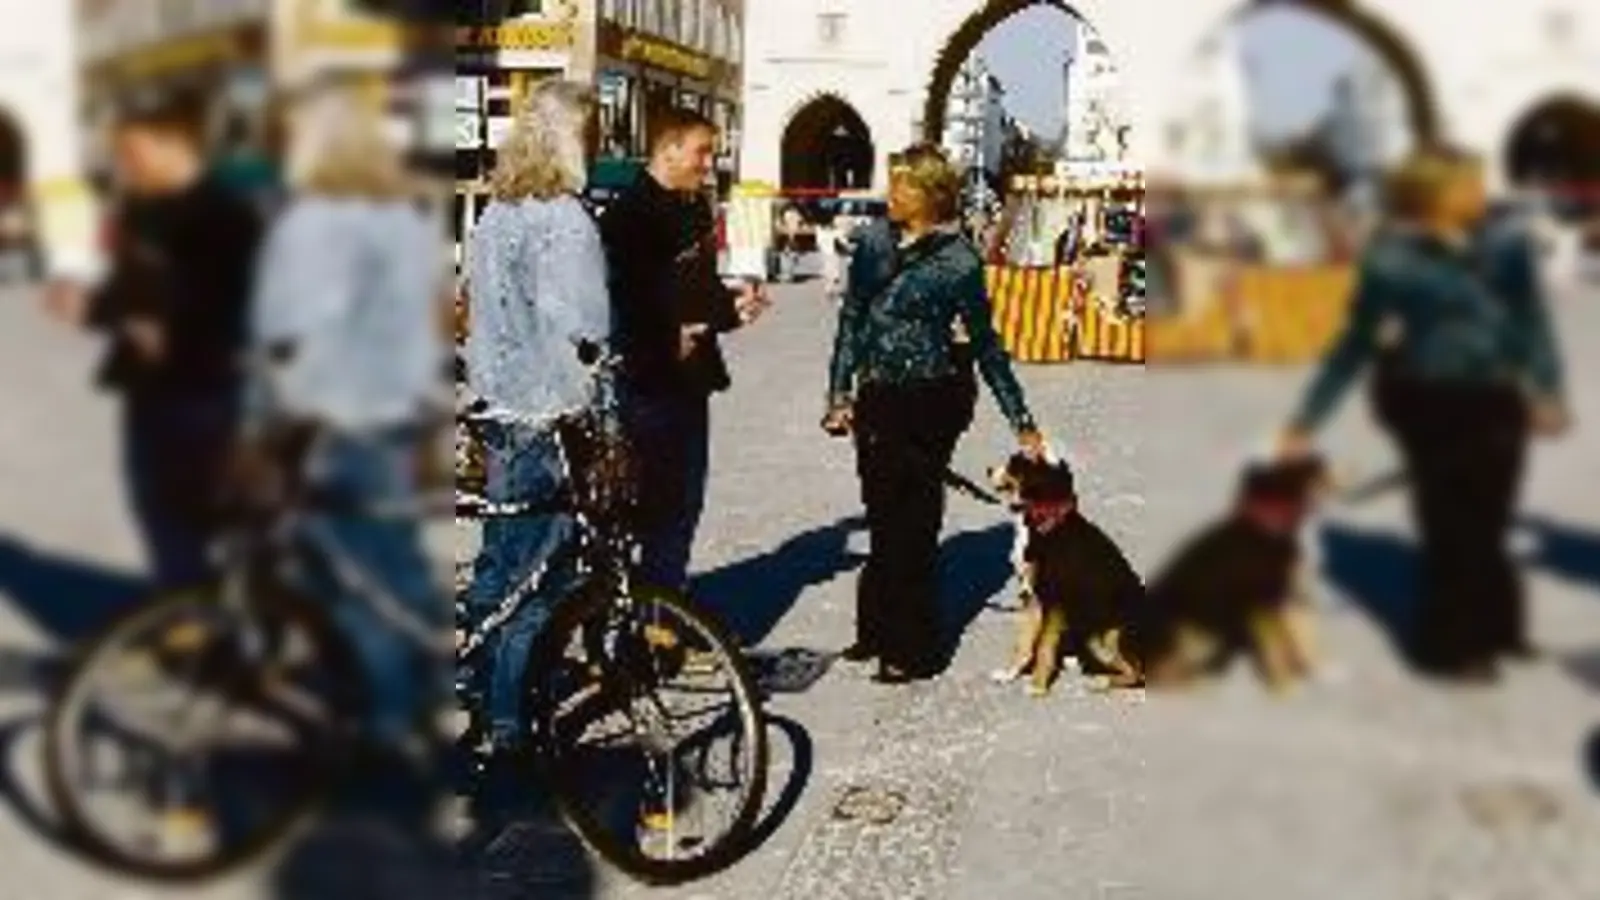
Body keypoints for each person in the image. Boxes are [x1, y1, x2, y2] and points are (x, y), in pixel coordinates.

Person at [1277, 145, 1570, 684]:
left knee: (1490, 515)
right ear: (1434, 193)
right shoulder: (1391, 258)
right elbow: (1356, 342)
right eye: (1471, 184)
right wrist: (1307, 420)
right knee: (1450, 523)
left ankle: (1500, 628)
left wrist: (1549, 390)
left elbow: (1532, 319)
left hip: (1496, 395)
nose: (1484, 193)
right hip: (1427, 400)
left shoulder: (1506, 243)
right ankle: (1450, 648)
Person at [245, 86, 449, 752]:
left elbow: (284, 325)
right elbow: (430, 325)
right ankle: (407, 699)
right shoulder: (408, 220)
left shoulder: (310, 224)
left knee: (347, 580)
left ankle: (380, 723)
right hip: (395, 415)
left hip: (329, 419)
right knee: (393, 571)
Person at [823, 143, 1044, 684]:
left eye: (903, 186)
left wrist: (1022, 419)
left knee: (915, 522)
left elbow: (987, 345)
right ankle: (875, 627)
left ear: (932, 195)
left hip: (931, 398)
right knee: (881, 513)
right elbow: (852, 319)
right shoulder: (873, 243)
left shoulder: (958, 260)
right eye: (891, 183)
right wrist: (838, 393)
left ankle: (914, 649)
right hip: (878, 395)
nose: (891, 195)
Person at [42, 89, 262, 595]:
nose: (123, 166)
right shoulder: (143, 211)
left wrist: (165, 327)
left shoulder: (223, 216)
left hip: (204, 390)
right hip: (148, 386)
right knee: (156, 508)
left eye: (132, 152)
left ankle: (228, 622)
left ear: (175, 145)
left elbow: (223, 306)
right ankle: (186, 617)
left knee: (210, 514)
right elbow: (131, 293)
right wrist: (93, 305)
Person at [460, 80, 612, 758]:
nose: (603, 141)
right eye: (595, 129)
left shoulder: (496, 215)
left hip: (497, 411)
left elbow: (475, 315)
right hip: (549, 417)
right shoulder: (565, 220)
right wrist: (604, 419)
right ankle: (510, 726)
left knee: (497, 571)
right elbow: (586, 331)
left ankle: (476, 690)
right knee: (542, 581)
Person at [600, 105, 766, 596]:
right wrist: (665, 337)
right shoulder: (628, 217)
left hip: (690, 380)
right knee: (644, 509)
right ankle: (634, 620)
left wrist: (733, 308)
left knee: (682, 506)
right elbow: (621, 304)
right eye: (702, 151)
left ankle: (663, 615)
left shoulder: (694, 207)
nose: (708, 163)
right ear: (668, 150)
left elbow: (698, 290)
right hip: (646, 383)